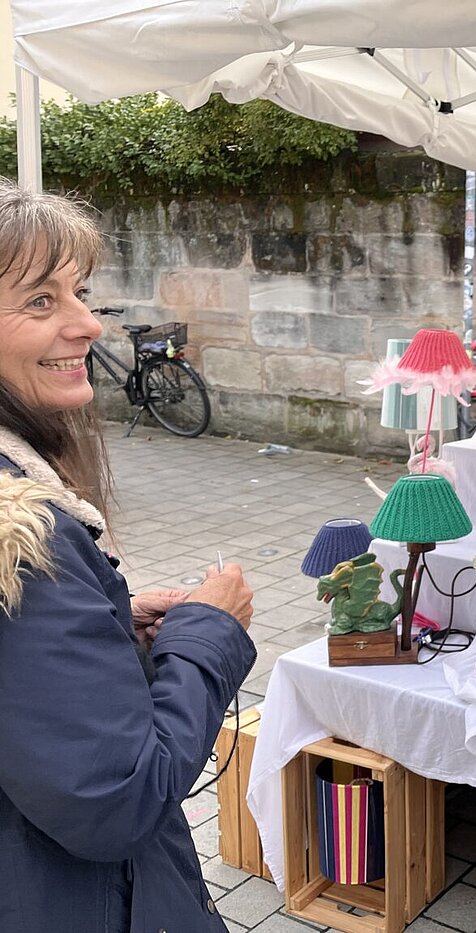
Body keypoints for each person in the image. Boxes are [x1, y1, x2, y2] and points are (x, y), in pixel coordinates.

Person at [0, 181, 257, 932]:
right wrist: (210, 635)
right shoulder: (23, 536)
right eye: (39, 302)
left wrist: (113, 621)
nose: (85, 324)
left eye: (78, 293)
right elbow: (116, 798)